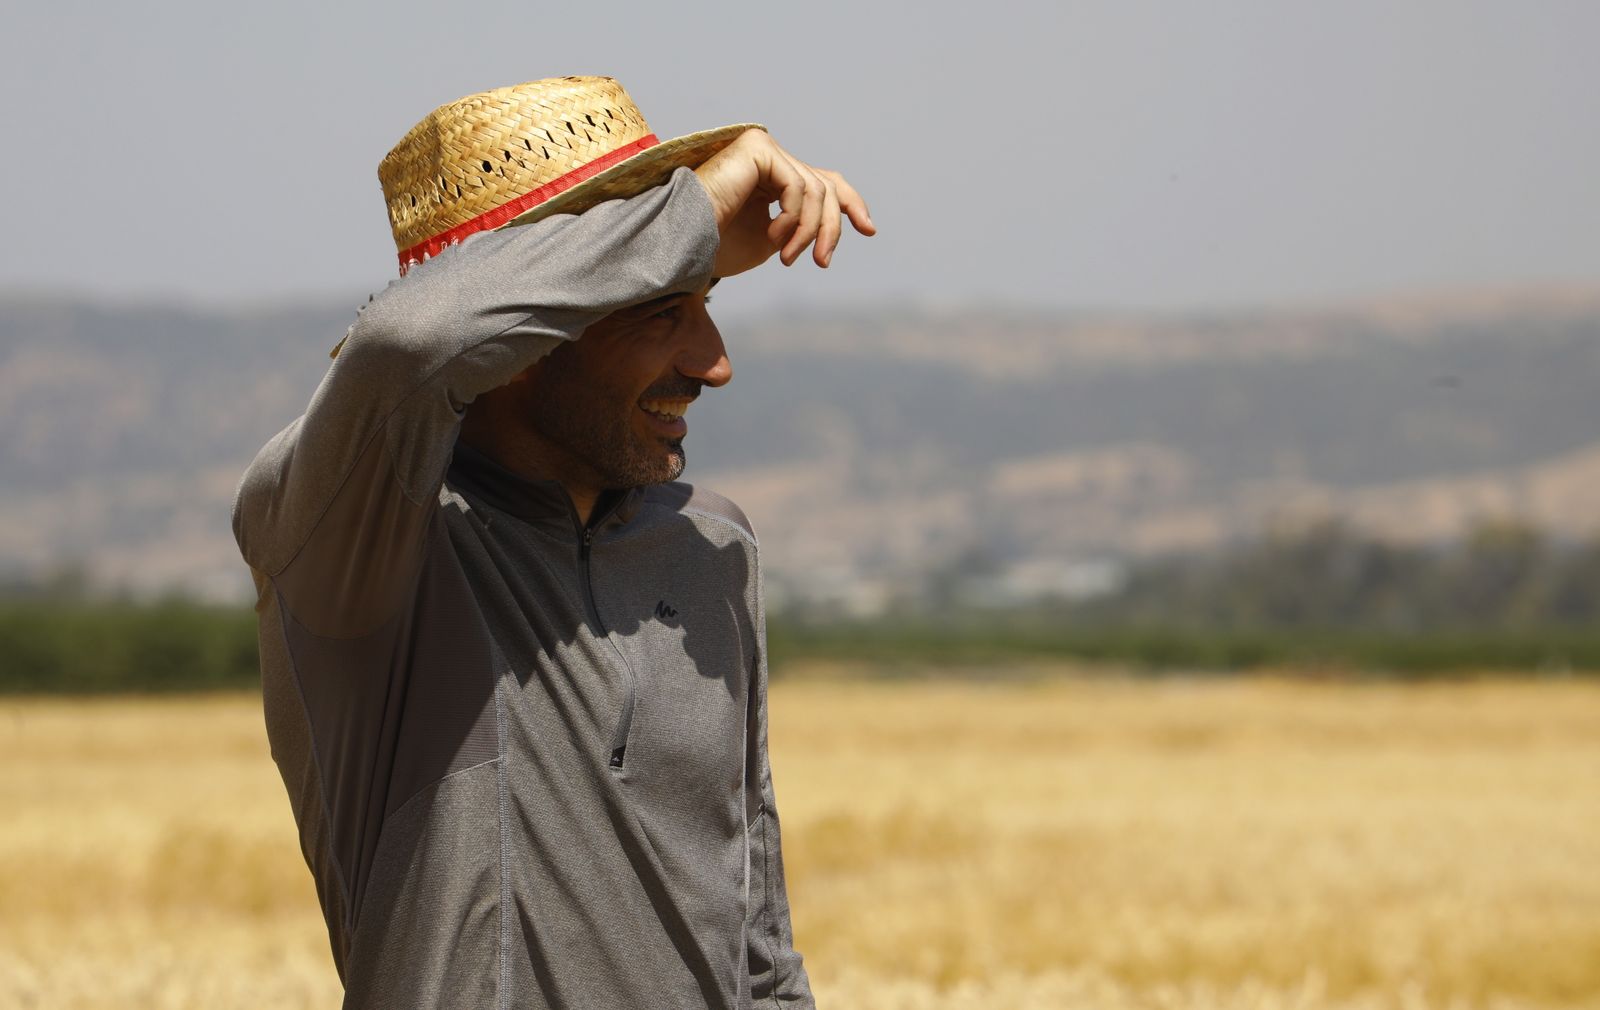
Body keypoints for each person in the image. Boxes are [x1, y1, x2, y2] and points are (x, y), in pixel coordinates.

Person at [231, 76, 874, 1010]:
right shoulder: (353, 543)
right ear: (529, 333)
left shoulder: (710, 547)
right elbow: (415, 341)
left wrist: (671, 257)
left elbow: (760, 944)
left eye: (704, 299)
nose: (714, 364)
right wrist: (696, 204)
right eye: (661, 309)